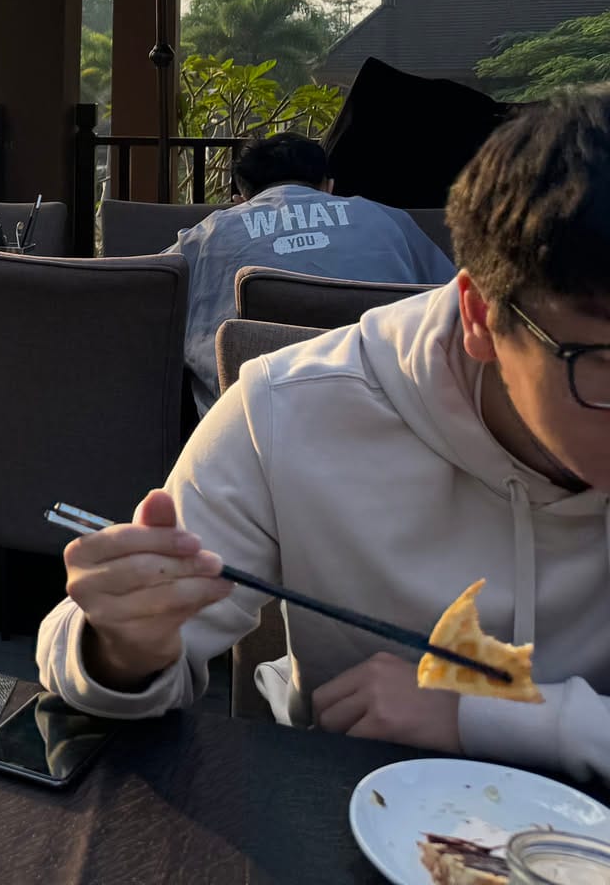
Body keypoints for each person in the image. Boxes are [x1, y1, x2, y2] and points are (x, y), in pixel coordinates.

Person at [39, 89, 610, 784]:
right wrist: (123, 642)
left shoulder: (210, 235)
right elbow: (85, 649)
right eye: (603, 362)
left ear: (239, 190)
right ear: (479, 317)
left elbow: (141, 307)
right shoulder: (287, 406)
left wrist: (491, 718)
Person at [168, 132, 454, 416]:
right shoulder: (390, 221)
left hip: (252, 424)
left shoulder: (206, 237)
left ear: (241, 199)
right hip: (395, 417)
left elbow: (148, 290)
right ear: (329, 187)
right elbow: (454, 303)